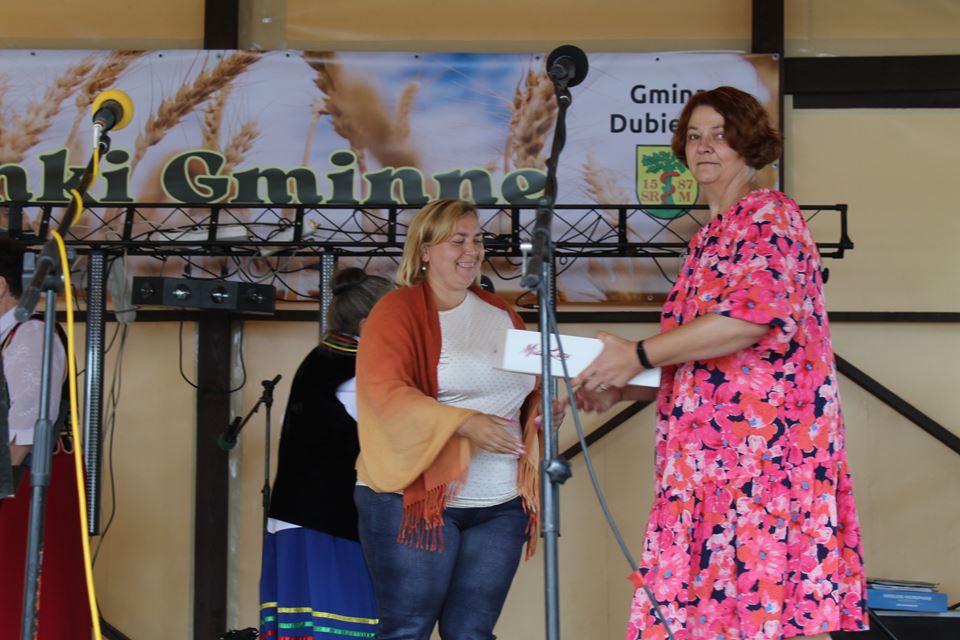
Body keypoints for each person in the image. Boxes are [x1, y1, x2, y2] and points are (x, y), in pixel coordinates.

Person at [574, 87, 868, 640]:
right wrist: (623, 383)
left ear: (749, 145)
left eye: (720, 134)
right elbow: (700, 364)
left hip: (765, 462)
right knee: (723, 621)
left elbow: (750, 319)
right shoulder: (708, 238)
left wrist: (635, 355)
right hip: (707, 465)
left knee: (776, 618)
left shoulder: (769, 216)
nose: (704, 146)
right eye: (694, 136)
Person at [353, 198, 556, 640]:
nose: (472, 250)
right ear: (425, 250)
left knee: (472, 633)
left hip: (501, 502)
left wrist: (542, 411)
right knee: (407, 629)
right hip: (416, 496)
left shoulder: (501, 313)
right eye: (458, 241)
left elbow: (525, 389)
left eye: (477, 240)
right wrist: (464, 422)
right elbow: (385, 392)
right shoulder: (396, 310)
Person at [259, 266, 393, 640]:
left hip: (295, 516)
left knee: (305, 628)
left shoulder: (320, 358)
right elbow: (388, 440)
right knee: (340, 628)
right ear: (370, 323)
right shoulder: (361, 368)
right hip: (328, 522)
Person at [0, 237, 91, 639]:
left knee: (27, 596)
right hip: (14, 481)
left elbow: (21, 437)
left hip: (24, 483)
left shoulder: (30, 335)